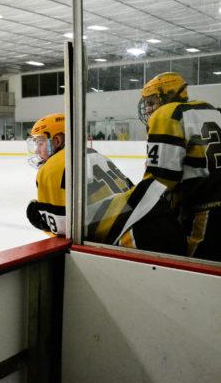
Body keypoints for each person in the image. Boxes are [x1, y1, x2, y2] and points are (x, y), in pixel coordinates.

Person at [25, 113, 186, 254]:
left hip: (137, 236)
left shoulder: (51, 168)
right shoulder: (94, 154)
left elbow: (64, 228)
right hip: (164, 221)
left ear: (57, 140)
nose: (37, 150)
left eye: (40, 142)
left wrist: (39, 218)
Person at [138, 72, 221, 260]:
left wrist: (136, 199)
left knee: (195, 270)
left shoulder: (168, 114)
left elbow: (161, 179)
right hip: (214, 201)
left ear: (168, 95)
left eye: (152, 102)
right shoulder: (209, 108)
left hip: (204, 213)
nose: (150, 110)